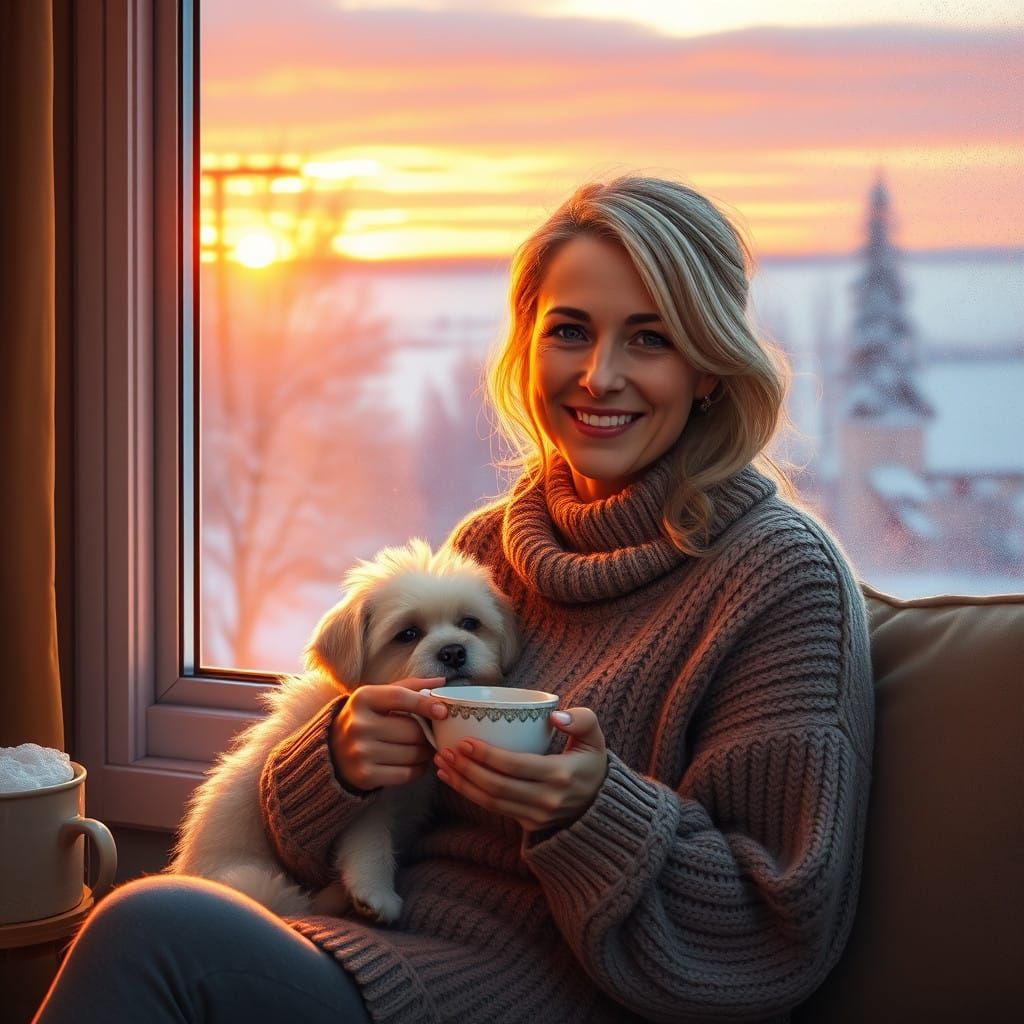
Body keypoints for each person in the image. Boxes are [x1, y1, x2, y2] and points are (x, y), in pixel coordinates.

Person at [34, 176, 873, 1024]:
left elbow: (776, 935)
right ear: (527, 350)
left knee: (154, 927)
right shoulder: (485, 551)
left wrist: (593, 808)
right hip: (368, 953)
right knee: (160, 922)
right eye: (569, 332)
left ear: (710, 371)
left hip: (555, 998)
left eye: (649, 339)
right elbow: (294, 849)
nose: (599, 375)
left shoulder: (780, 581)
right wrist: (341, 764)